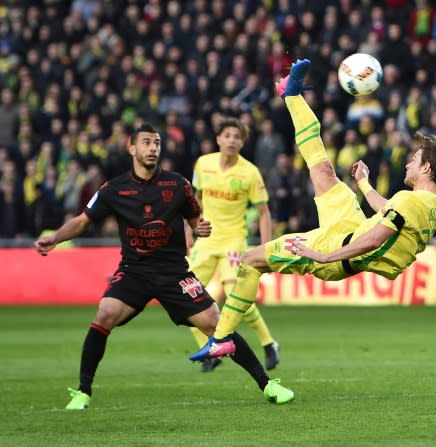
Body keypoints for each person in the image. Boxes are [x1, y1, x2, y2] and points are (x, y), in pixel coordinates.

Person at [190, 59, 436, 361]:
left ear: (425, 167)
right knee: (322, 170)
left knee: (252, 260)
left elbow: (376, 240)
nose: (408, 163)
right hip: (352, 225)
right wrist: (364, 184)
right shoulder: (432, 205)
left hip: (338, 248)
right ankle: (292, 95)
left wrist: (323, 255)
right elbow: (389, 212)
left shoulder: (411, 200)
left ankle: (222, 338)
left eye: (414, 158)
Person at [34, 124, 294, 409]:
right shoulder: (113, 189)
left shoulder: (177, 184)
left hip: (173, 272)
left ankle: (267, 384)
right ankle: (83, 391)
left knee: (216, 325)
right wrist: (56, 238)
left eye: (156, 143)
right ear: (131, 148)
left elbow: (195, 221)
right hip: (134, 270)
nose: (153, 148)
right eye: (146, 143)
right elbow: (83, 220)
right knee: (105, 313)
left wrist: (200, 229)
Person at [187, 117, 281, 373]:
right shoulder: (203, 164)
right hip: (205, 241)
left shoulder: (249, 172)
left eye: (236, 136)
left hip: (232, 241)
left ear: (242, 142)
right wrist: (189, 231)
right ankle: (209, 351)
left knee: (235, 297)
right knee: (184, 297)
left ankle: (269, 343)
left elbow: (263, 212)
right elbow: (193, 202)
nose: (231, 140)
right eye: (227, 135)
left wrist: (265, 248)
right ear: (218, 138)